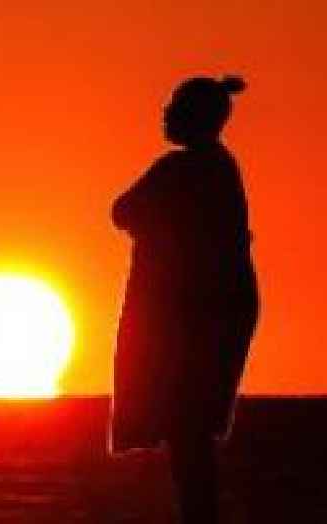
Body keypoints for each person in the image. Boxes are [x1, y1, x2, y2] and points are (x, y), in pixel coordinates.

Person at [109, 76, 259, 524]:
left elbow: (122, 210)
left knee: (187, 425)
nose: (165, 112)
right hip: (214, 309)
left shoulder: (186, 169)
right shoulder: (218, 168)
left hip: (195, 315)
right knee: (190, 428)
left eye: (175, 105)